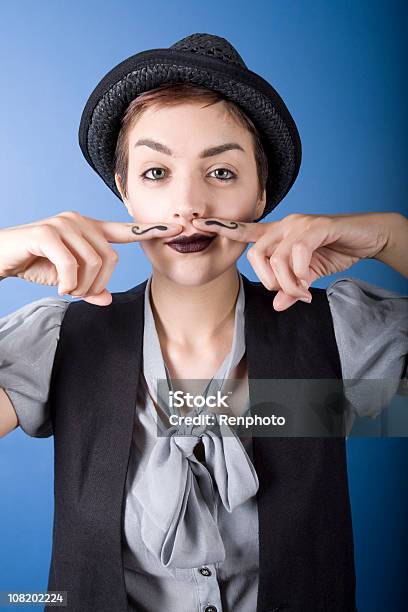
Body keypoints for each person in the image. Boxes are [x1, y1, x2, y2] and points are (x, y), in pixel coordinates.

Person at [0, 32, 407, 612]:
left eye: (220, 173)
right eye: (156, 173)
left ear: (260, 195)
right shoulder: (61, 341)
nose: (188, 206)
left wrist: (392, 235)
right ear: (124, 192)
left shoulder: (338, 336)